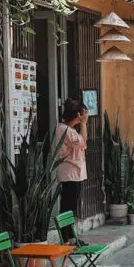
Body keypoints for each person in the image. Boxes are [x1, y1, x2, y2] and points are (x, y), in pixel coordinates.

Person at [56, 98, 89, 241]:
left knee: (70, 207)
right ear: (78, 115)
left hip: (74, 173)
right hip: (70, 173)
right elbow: (83, 143)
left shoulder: (69, 130)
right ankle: (67, 238)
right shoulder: (65, 130)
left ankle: (70, 237)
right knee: (68, 207)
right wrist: (83, 124)